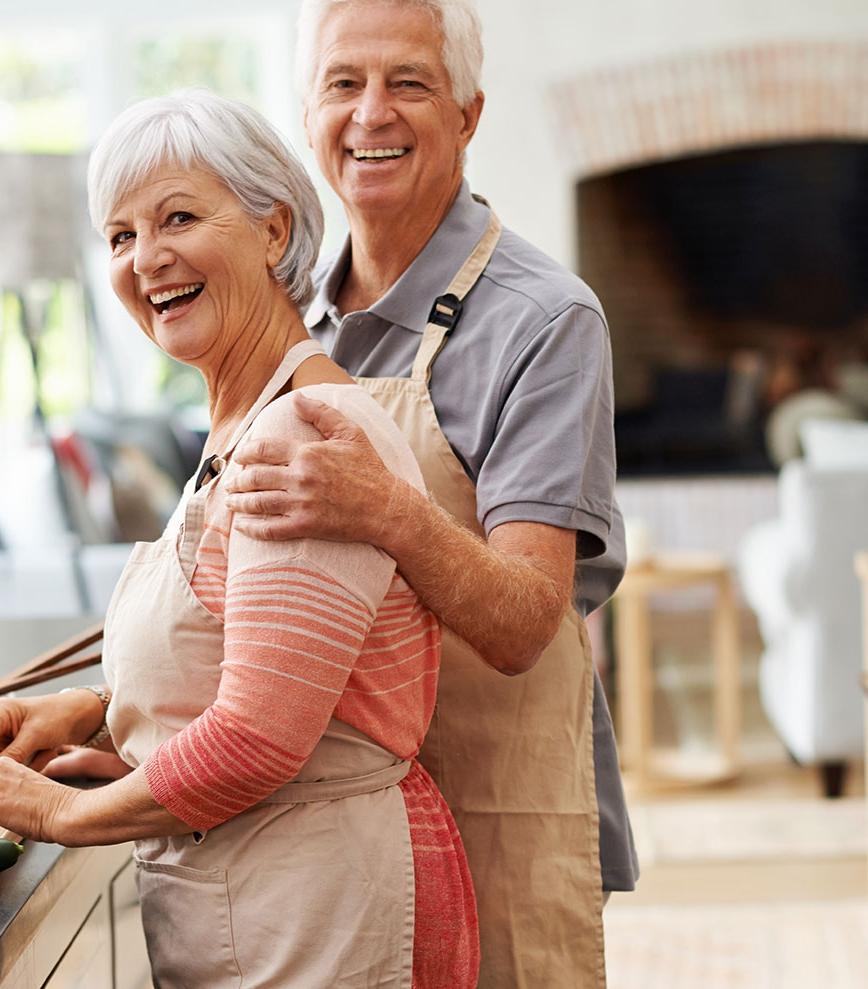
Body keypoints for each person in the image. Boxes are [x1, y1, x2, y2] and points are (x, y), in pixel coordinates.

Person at [0, 89, 479, 988]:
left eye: (177, 217)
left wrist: (57, 811)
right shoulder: (237, 425)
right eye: (118, 236)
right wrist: (101, 710)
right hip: (261, 901)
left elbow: (260, 738)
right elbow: (251, 655)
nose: (146, 259)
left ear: (273, 232)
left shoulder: (300, 438)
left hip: (324, 919)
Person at [222, 1, 638, 986]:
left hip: (494, 809)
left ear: (468, 114)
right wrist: (104, 709)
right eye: (342, 83)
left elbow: (527, 620)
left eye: (408, 82)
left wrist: (390, 509)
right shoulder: (287, 314)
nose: (372, 113)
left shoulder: (547, 321)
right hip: (322, 839)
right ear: (308, 111)